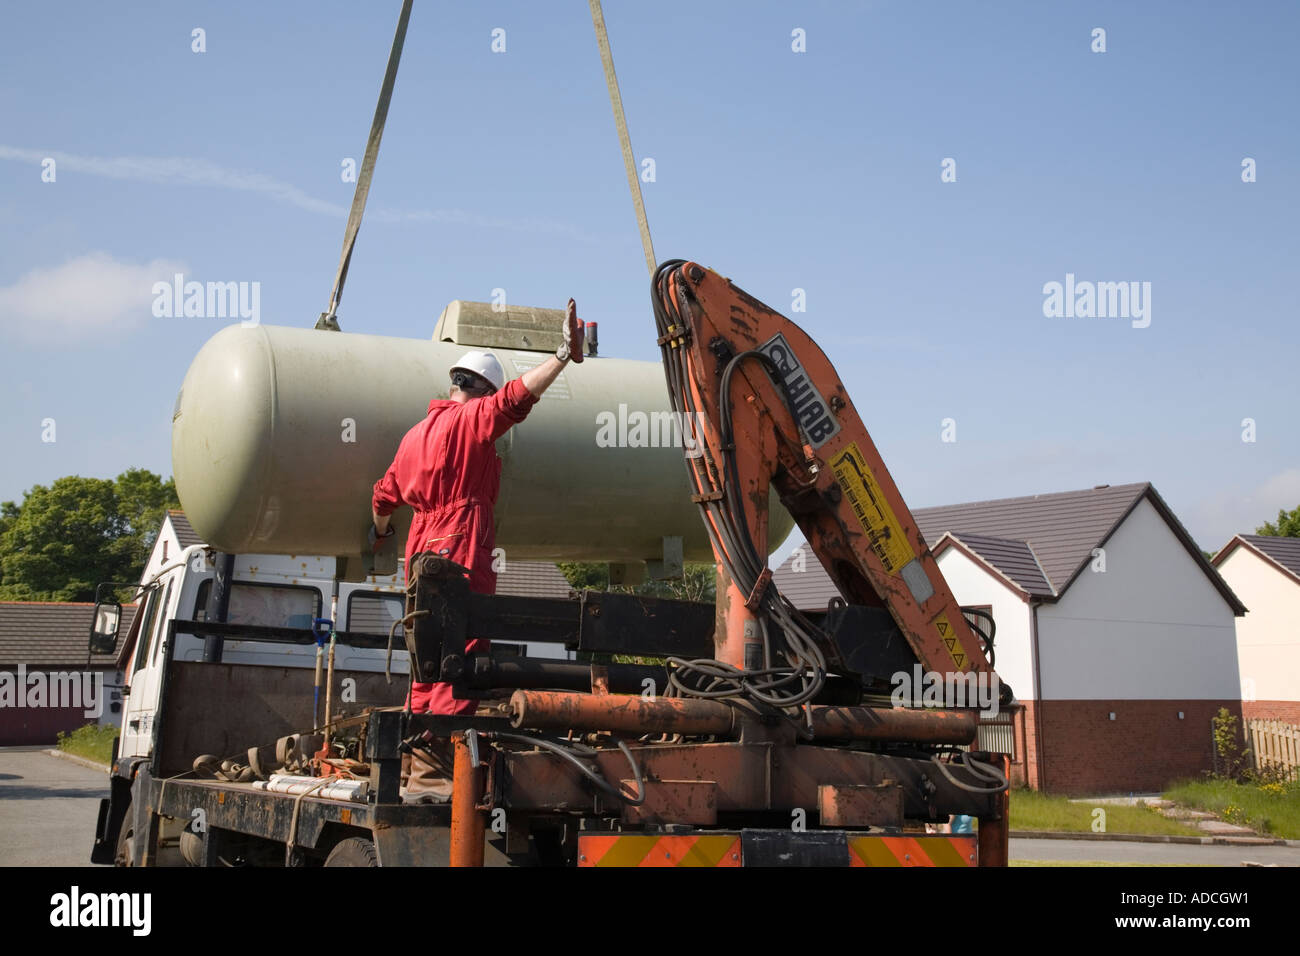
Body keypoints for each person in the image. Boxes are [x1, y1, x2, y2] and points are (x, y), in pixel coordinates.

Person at [369, 299, 585, 801]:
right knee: (458, 656)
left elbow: (383, 496)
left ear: (454, 383)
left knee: (425, 655)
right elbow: (516, 399)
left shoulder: (412, 437)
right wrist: (560, 355)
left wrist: (380, 535)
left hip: (420, 548)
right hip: (460, 542)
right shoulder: (471, 422)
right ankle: (440, 783)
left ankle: (414, 772)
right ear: (480, 390)